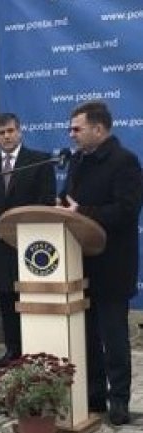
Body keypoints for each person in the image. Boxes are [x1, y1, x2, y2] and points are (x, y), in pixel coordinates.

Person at [56, 101, 142, 425]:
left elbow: (126, 210)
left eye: (77, 128)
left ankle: (118, 399)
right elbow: (69, 198)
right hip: (79, 263)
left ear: (99, 129)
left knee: (113, 336)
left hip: (112, 265)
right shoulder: (78, 160)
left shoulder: (126, 162)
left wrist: (82, 212)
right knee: (87, 336)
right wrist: (60, 205)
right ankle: (93, 394)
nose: (72, 134)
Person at [0, 113, 56, 368]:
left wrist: (24, 228)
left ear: (20, 131)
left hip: (30, 246)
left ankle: (35, 352)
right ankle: (13, 351)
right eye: (1, 133)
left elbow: (46, 199)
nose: (7, 136)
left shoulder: (40, 161)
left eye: (10, 131)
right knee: (6, 301)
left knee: (31, 300)